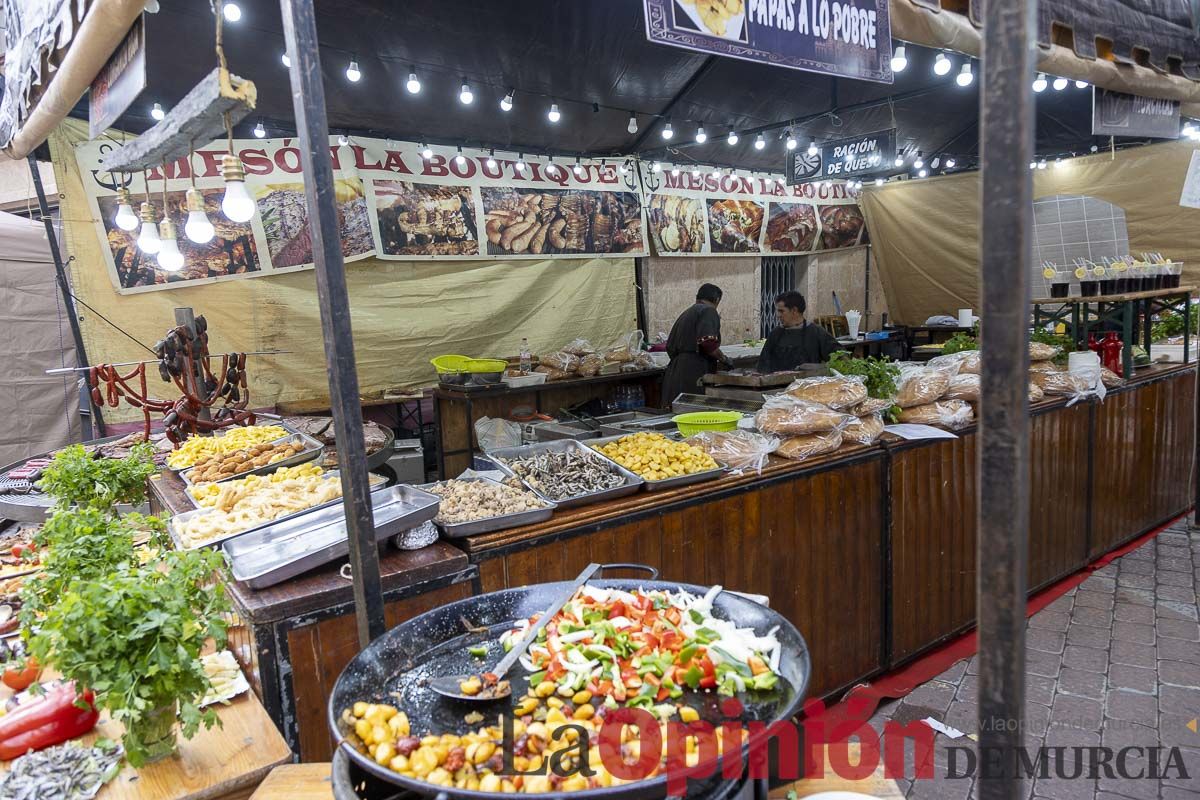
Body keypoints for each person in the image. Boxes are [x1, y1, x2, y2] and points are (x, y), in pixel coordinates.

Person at [662, 283, 731, 402]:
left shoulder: (686, 313)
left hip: (675, 372)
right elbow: (708, 343)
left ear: (697, 297)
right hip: (694, 373)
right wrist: (724, 359)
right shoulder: (708, 311)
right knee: (695, 412)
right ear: (717, 300)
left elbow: (670, 347)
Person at [756, 291, 839, 373]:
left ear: (794, 311)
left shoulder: (816, 332)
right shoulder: (775, 334)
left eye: (781, 311)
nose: (778, 315)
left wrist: (820, 367)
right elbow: (763, 366)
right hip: (778, 385)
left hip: (807, 385)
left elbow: (840, 358)